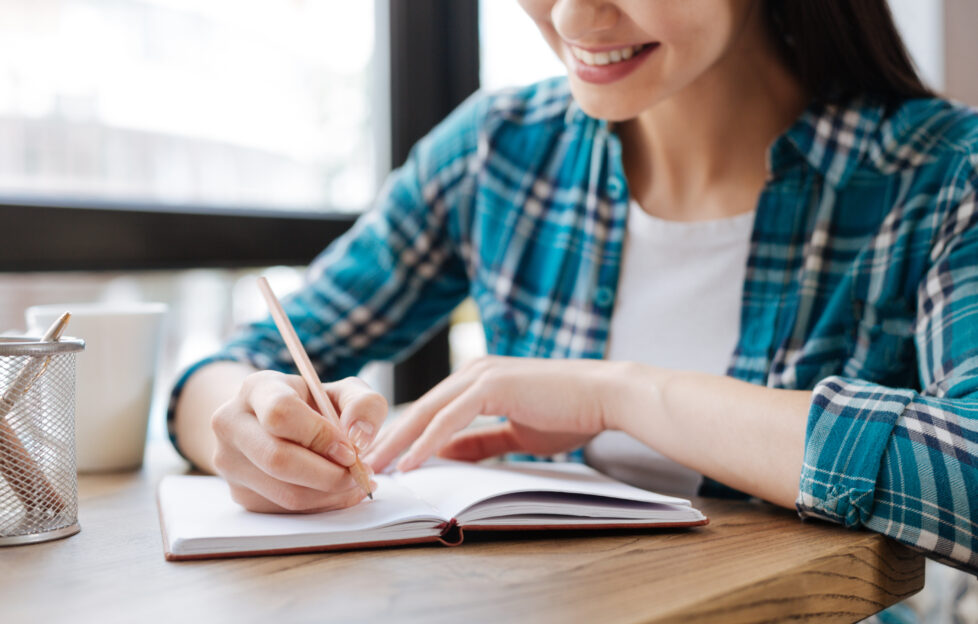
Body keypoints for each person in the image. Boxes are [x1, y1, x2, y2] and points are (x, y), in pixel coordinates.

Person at [169, 0, 978, 575]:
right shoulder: (499, 152)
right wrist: (246, 428)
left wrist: (620, 395)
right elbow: (229, 368)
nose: (572, 17)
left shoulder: (943, 176)